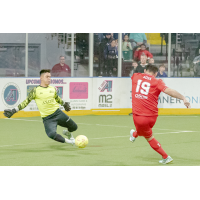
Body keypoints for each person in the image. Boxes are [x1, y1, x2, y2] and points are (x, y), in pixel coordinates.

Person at [130, 65, 190, 164]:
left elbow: (138, 78)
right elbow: (170, 91)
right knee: (144, 131)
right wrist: (183, 98)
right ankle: (134, 134)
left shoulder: (136, 76)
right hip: (153, 117)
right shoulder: (157, 82)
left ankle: (166, 157)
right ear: (156, 73)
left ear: (145, 70)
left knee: (149, 137)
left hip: (139, 117)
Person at [3, 69, 77, 146]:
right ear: (41, 78)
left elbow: (57, 98)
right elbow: (25, 102)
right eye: (47, 77)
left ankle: (68, 133)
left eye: (50, 77)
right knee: (51, 134)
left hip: (58, 113)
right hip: (48, 118)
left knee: (74, 127)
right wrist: (14, 110)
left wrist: (64, 104)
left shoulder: (53, 89)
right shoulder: (35, 91)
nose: (49, 78)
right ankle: (70, 142)